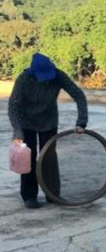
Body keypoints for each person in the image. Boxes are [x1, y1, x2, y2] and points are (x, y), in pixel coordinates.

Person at [7, 53, 88, 209]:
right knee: (28, 159)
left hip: (48, 120)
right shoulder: (24, 79)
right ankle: (29, 196)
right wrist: (17, 131)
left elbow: (78, 95)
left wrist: (81, 122)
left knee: (48, 158)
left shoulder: (58, 76)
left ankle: (52, 194)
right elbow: (13, 106)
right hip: (26, 122)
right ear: (33, 72)